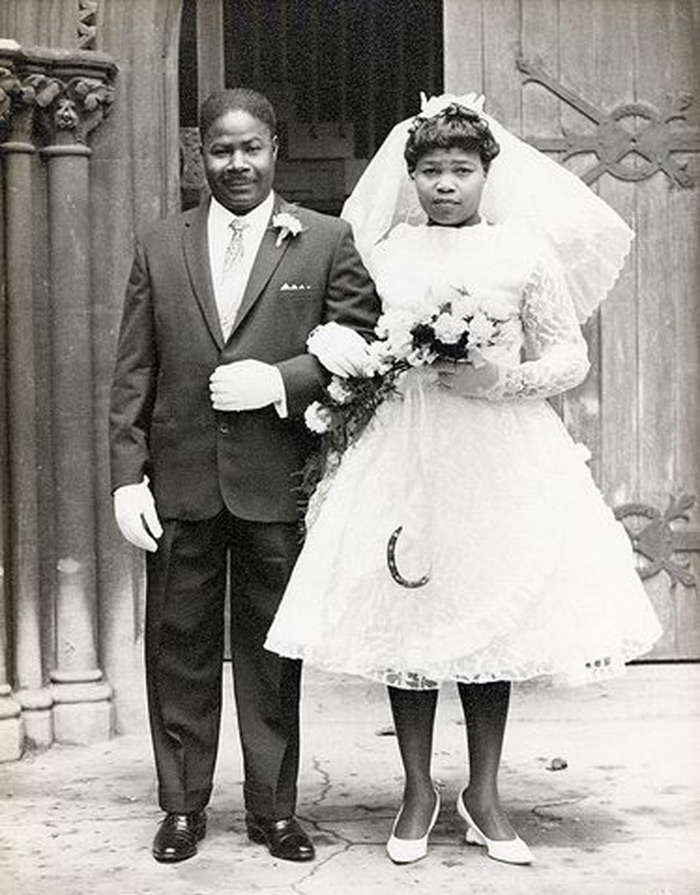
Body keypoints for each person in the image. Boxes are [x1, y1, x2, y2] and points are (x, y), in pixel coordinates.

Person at [265, 94, 662, 866]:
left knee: (487, 612)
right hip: (405, 447)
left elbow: (568, 357)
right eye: (432, 171)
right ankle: (418, 788)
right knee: (410, 614)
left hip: (496, 449)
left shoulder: (521, 253)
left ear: (487, 174)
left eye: (462, 170)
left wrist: (496, 379)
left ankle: (483, 791)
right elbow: (360, 339)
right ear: (410, 177)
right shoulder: (387, 252)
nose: (446, 185)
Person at [109, 87, 380, 864]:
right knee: (179, 646)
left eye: (250, 147)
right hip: (182, 483)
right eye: (220, 150)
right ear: (200, 155)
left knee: (271, 653)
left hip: (276, 481)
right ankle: (183, 806)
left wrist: (283, 381)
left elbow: (365, 348)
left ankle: (275, 809)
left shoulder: (325, 240)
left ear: (274, 149)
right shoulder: (160, 243)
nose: (236, 164)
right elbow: (134, 370)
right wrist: (129, 475)